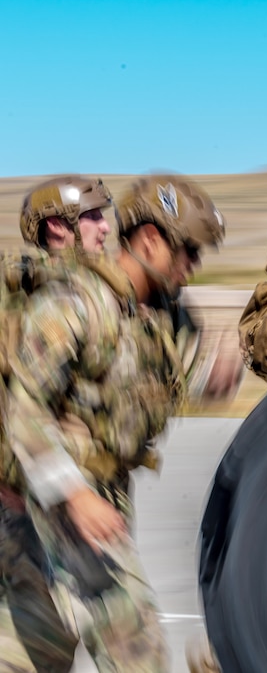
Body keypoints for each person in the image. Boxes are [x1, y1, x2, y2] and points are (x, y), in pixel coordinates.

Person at [3, 174, 242, 671]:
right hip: (62, 495)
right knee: (135, 645)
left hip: (100, 496)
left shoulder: (169, 315)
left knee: (34, 649)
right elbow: (25, 410)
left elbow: (162, 383)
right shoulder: (73, 303)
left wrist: (214, 379)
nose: (194, 267)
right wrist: (77, 495)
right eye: (189, 252)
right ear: (151, 241)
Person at [0, 176, 113, 672]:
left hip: (50, 497)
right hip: (22, 502)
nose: (105, 228)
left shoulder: (87, 295)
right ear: (57, 229)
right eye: (91, 217)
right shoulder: (37, 298)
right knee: (36, 648)